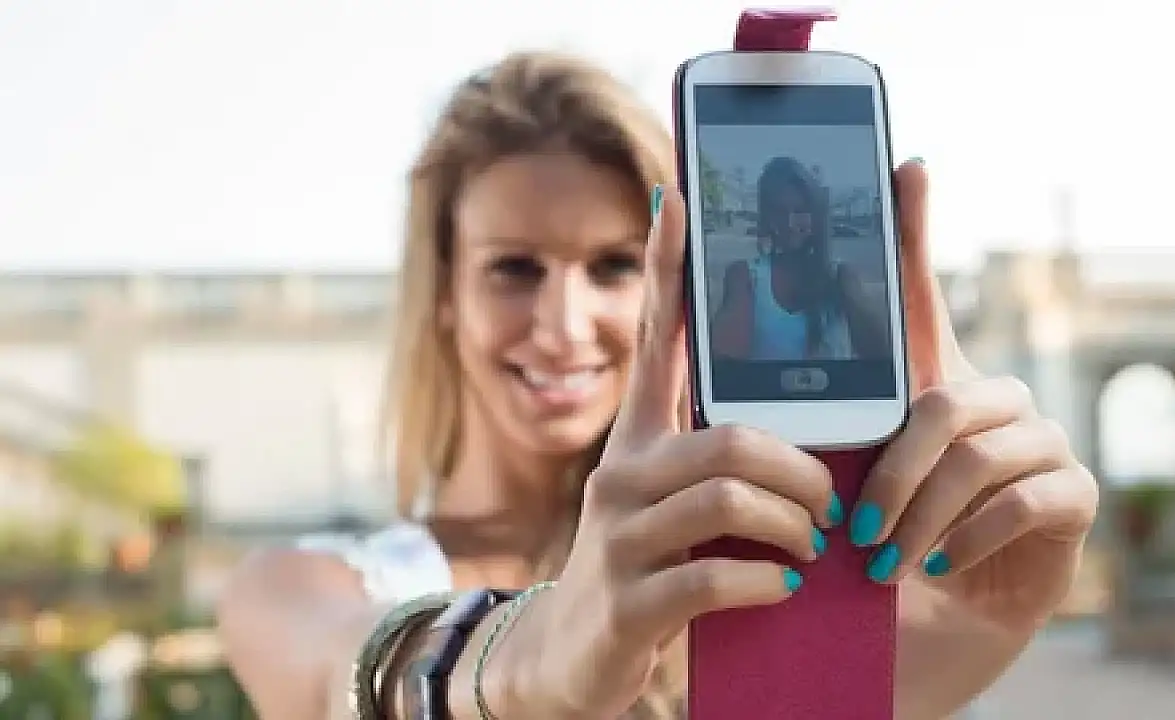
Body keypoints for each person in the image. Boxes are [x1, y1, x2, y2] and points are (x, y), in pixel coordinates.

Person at [216, 51, 1099, 720]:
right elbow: (338, 673)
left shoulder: (746, 577)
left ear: (677, 282)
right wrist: (524, 660)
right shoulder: (297, 587)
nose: (565, 324)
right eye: (515, 268)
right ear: (444, 296)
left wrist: (991, 619)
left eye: (613, 265)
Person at [710, 155, 889, 361]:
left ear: (816, 215)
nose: (790, 223)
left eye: (800, 211)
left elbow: (882, 354)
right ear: (767, 216)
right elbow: (725, 358)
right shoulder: (744, 276)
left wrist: (848, 295)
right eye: (779, 212)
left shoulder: (841, 276)